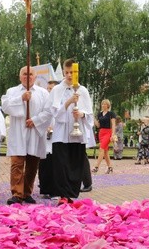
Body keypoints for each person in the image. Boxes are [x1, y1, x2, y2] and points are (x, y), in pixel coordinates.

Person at [43, 59, 95, 204]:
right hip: (61, 134)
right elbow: (54, 113)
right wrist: (68, 102)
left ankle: (72, 193)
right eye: (67, 72)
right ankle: (63, 196)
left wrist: (82, 115)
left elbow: (90, 114)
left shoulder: (82, 90)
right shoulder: (57, 90)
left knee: (75, 164)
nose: (69, 75)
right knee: (61, 164)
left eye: (72, 72)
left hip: (76, 135)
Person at [3, 66, 50, 205]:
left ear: (35, 77)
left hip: (35, 132)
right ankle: (17, 194)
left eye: (30, 74)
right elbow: (5, 107)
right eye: (24, 74)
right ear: (20, 76)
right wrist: (21, 98)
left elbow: (48, 112)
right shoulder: (12, 91)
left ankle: (27, 192)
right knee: (17, 163)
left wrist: (35, 121)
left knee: (32, 164)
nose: (27, 76)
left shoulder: (43, 93)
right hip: (18, 132)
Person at [38, 80, 58, 198]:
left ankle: (55, 189)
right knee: (44, 165)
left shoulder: (60, 102)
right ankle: (45, 188)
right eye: (48, 88)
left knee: (55, 165)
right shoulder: (44, 103)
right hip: (45, 139)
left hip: (56, 139)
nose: (49, 91)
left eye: (52, 88)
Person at [92, 99, 116, 173]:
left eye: (105, 104)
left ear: (108, 105)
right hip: (101, 132)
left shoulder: (111, 114)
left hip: (108, 132)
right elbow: (98, 125)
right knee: (105, 151)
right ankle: (110, 167)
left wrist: (113, 134)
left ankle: (96, 167)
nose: (103, 105)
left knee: (101, 148)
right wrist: (92, 118)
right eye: (102, 104)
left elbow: (113, 125)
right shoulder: (99, 114)